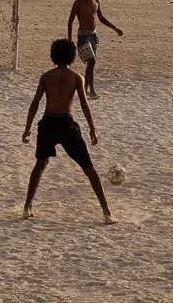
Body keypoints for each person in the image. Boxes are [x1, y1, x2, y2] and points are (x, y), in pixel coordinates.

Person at [21, 38, 113, 223]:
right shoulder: (77, 77)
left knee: (40, 164)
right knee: (89, 168)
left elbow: (35, 102)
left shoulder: (46, 76)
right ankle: (107, 213)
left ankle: (27, 207)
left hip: (47, 123)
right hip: (66, 124)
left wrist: (28, 128)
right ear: (72, 57)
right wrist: (92, 129)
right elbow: (85, 105)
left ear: (53, 56)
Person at [67, 0, 123, 99]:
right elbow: (70, 21)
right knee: (91, 61)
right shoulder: (78, 3)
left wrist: (115, 28)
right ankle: (91, 90)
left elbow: (101, 18)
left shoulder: (96, 1)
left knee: (90, 65)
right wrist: (70, 38)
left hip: (93, 35)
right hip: (83, 35)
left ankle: (86, 91)